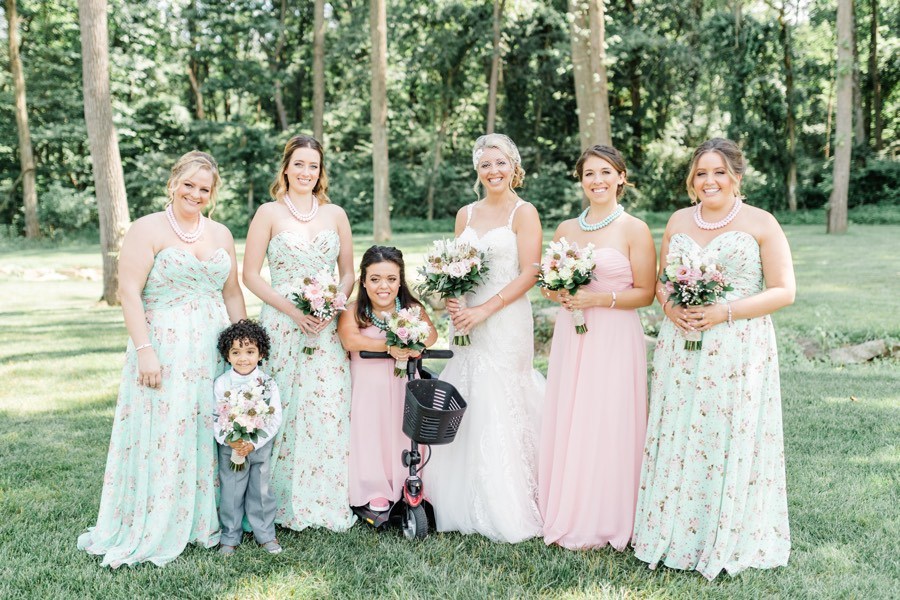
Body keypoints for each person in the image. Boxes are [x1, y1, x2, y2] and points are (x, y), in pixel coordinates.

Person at [632, 138, 795, 579]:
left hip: (738, 347)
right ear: (692, 179)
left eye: (719, 172)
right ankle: (673, 530)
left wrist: (724, 311)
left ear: (737, 176)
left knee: (726, 433)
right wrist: (672, 309)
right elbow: (664, 284)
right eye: (701, 173)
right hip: (681, 348)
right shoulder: (679, 220)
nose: (710, 181)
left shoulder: (762, 222)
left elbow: (785, 290)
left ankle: (729, 533)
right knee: (682, 430)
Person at [78, 151, 246, 567]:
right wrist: (145, 351)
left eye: (204, 188)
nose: (195, 193)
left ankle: (204, 520)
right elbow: (128, 292)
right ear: (173, 182)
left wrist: (248, 347)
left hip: (214, 346)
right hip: (165, 345)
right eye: (188, 184)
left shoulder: (221, 233)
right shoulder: (146, 229)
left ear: (212, 194)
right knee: (166, 431)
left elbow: (232, 293)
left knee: (207, 429)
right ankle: (158, 521)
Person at [426, 133, 545, 543]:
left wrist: (484, 310)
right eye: (484, 165)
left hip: (505, 317)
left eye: (500, 163)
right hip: (467, 321)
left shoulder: (523, 213)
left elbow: (530, 273)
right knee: (467, 390)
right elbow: (453, 264)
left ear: (514, 166)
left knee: (502, 395)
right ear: (477, 171)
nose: (493, 171)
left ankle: (508, 501)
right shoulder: (466, 214)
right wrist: (455, 302)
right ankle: (459, 497)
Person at [538, 145, 656, 550]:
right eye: (590, 174)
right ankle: (569, 507)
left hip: (616, 335)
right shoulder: (566, 230)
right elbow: (550, 284)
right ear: (581, 180)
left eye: (606, 172)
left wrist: (597, 300)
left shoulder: (634, 229)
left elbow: (646, 293)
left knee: (610, 416)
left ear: (621, 177)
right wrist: (561, 293)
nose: (598, 181)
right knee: (574, 413)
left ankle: (609, 514)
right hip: (573, 334)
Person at [242, 134, 356, 532]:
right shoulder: (268, 213)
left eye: (314, 165)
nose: (307, 172)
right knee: (283, 405)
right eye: (300, 164)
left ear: (320, 171)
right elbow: (250, 276)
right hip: (281, 322)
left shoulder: (335, 214)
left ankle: (325, 498)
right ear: (286, 167)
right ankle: (274, 501)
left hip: (325, 328)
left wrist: (334, 304)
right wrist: (293, 312)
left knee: (327, 405)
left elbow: (347, 274)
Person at [338, 246, 438, 512]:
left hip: (402, 384)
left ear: (400, 281)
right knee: (372, 432)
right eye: (375, 279)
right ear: (363, 281)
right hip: (369, 388)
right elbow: (351, 340)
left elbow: (430, 335)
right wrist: (390, 347)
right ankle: (375, 487)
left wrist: (415, 345)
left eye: (391, 279)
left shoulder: (411, 309)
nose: (384, 286)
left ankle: (408, 479)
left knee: (402, 431)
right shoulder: (353, 311)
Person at [213, 320, 283, 556]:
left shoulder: (268, 384)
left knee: (260, 492)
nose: (243, 358)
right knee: (231, 492)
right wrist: (229, 440)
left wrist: (254, 443)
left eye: (250, 351)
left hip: (258, 447)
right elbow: (216, 415)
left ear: (261, 353)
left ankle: (265, 534)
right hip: (231, 446)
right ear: (227, 355)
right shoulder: (222, 383)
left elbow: (274, 418)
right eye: (236, 352)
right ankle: (230, 537)